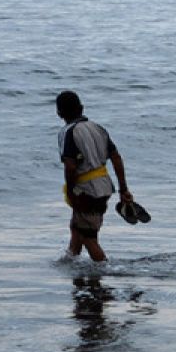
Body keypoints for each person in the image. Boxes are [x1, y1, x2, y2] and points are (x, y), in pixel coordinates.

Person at [56, 90, 131, 262]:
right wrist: (123, 189)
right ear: (82, 108)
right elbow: (116, 158)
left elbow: (70, 166)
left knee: (88, 237)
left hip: (86, 191)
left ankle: (104, 270)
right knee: (77, 228)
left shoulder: (68, 132)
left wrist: (70, 192)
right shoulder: (98, 128)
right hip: (104, 187)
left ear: (59, 113)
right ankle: (71, 264)